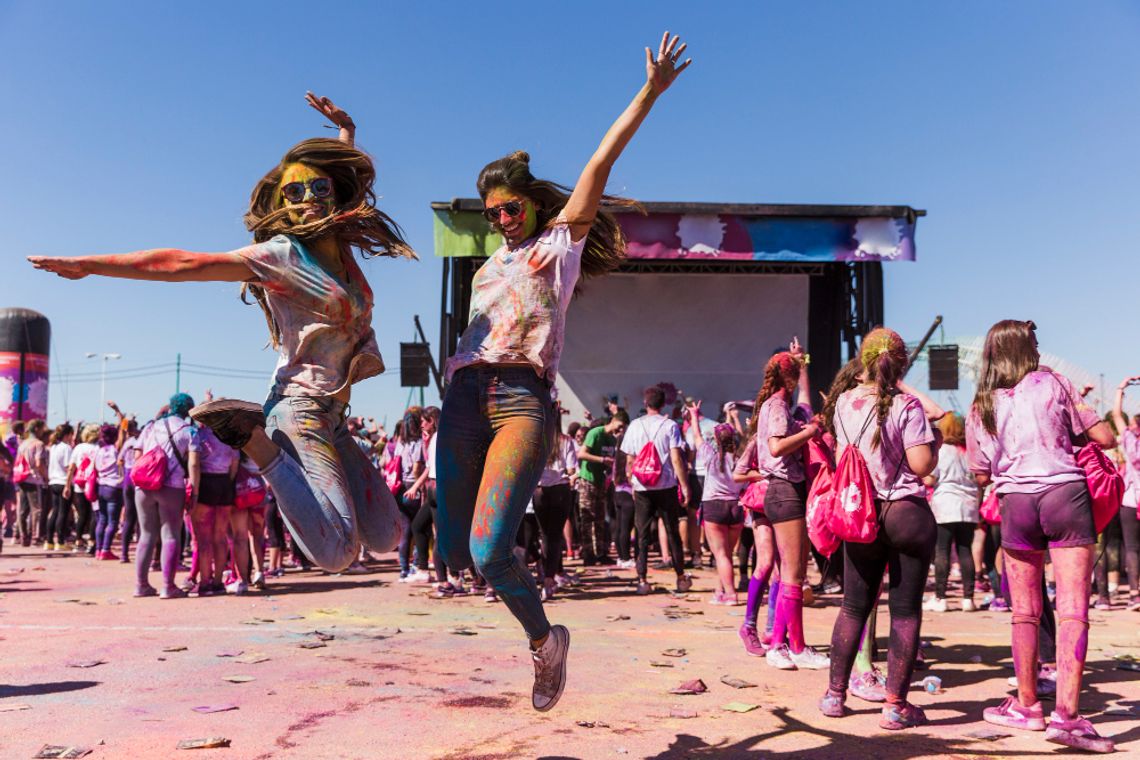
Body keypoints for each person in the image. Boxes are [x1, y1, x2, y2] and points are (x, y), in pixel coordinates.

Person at [29, 93, 410, 574]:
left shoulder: (342, 253)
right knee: (337, 554)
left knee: (388, 534)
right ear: (281, 205)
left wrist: (346, 133)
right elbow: (181, 264)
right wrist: (88, 265)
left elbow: (350, 179)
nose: (309, 200)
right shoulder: (280, 256)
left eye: (319, 188)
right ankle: (256, 444)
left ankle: (265, 442)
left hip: (334, 412)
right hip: (300, 408)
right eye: (294, 193)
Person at [435, 33, 691, 714]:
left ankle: (546, 643)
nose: (500, 222)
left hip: (521, 399)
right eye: (490, 215)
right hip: (463, 399)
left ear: (534, 208)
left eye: (509, 210)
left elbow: (599, 163)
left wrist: (649, 93)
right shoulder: (489, 266)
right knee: (455, 556)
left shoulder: (556, 246)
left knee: (490, 552)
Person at [967, 320, 1116, 753]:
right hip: (1064, 495)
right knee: (1071, 611)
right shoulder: (1055, 383)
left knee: (1024, 613)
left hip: (1016, 504)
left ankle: (1028, 706)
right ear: (1027, 349)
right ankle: (1067, 717)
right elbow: (1103, 437)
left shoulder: (982, 403)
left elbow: (980, 472)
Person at [818, 328, 942, 729]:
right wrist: (934, 440)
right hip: (905, 512)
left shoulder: (843, 405)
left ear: (863, 362)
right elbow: (922, 466)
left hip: (862, 513)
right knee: (904, 612)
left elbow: (843, 457)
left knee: (854, 605)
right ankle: (894, 706)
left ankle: (835, 695)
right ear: (901, 364)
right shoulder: (907, 406)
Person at [738, 339, 829, 672]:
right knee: (790, 573)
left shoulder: (777, 405)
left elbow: (803, 402)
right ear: (786, 381)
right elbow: (776, 448)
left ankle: (792, 645)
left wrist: (801, 366)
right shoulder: (776, 407)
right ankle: (781, 645)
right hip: (783, 490)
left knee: (793, 574)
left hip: (785, 492)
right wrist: (812, 431)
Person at [622, 385, 692, 596]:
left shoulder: (634, 425)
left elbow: (629, 460)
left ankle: (642, 580)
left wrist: (632, 482)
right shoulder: (670, 425)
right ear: (663, 404)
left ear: (646, 403)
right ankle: (680, 577)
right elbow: (676, 458)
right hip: (666, 485)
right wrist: (684, 484)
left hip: (642, 486)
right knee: (672, 532)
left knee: (642, 534)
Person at [133, 395, 201, 599]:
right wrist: (194, 492)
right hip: (172, 487)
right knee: (171, 534)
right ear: (189, 410)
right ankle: (168, 586)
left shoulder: (151, 427)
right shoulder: (190, 431)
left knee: (146, 535)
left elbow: (138, 455)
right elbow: (194, 464)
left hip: (144, 486)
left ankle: (140, 585)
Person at [923, 413, 980, 612]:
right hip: (969, 506)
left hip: (945, 505)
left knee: (942, 551)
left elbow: (930, 479)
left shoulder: (942, 451)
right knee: (965, 550)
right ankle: (968, 599)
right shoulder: (970, 451)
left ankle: (940, 598)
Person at [688, 402, 744, 604]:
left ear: (716, 441)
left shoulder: (709, 457)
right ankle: (720, 590)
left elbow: (696, 436)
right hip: (736, 508)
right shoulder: (741, 459)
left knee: (721, 555)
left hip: (714, 508)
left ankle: (730, 594)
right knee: (727, 554)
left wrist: (694, 416)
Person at [533, 415, 581, 601]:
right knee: (554, 537)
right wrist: (572, 478)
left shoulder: (536, 439)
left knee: (545, 535)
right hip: (560, 490)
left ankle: (546, 578)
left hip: (539, 491)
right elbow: (572, 470)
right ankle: (549, 579)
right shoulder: (565, 441)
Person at [577, 413, 626, 565]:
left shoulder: (612, 439)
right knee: (587, 518)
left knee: (599, 518)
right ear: (614, 421)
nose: (621, 430)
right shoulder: (595, 433)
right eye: (620, 426)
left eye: (624, 428)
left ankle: (600, 552)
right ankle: (588, 553)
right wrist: (602, 460)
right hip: (587, 480)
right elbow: (581, 454)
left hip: (602, 481)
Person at [1112, 375, 1140, 611]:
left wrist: (1122, 388)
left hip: (1131, 498)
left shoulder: (1129, 440)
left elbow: (1115, 415)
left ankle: (1133, 594)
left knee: (1131, 547)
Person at [92, 424, 124, 560]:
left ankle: (98, 550)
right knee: (112, 521)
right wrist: (118, 413)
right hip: (113, 486)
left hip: (101, 486)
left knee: (102, 520)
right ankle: (106, 549)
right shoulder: (115, 450)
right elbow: (122, 434)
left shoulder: (98, 450)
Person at [15, 419, 48, 547]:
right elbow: (39, 463)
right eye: (41, 429)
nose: (42, 431)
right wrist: (46, 476)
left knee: (23, 510)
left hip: (22, 478)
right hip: (34, 479)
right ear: (37, 429)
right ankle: (35, 537)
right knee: (36, 509)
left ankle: (23, 536)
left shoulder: (23, 444)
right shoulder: (38, 444)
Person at [66, 423, 99, 554]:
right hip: (93, 484)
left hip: (79, 484)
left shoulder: (78, 448)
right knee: (93, 515)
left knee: (82, 515)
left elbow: (71, 468)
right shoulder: (97, 448)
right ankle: (92, 542)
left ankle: (78, 541)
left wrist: (67, 485)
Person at [46, 423, 75, 551]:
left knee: (55, 511)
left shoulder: (53, 447)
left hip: (53, 481)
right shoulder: (66, 448)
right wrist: (68, 485)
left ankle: (49, 541)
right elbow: (68, 467)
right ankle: (61, 542)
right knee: (63, 513)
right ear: (68, 435)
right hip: (64, 481)